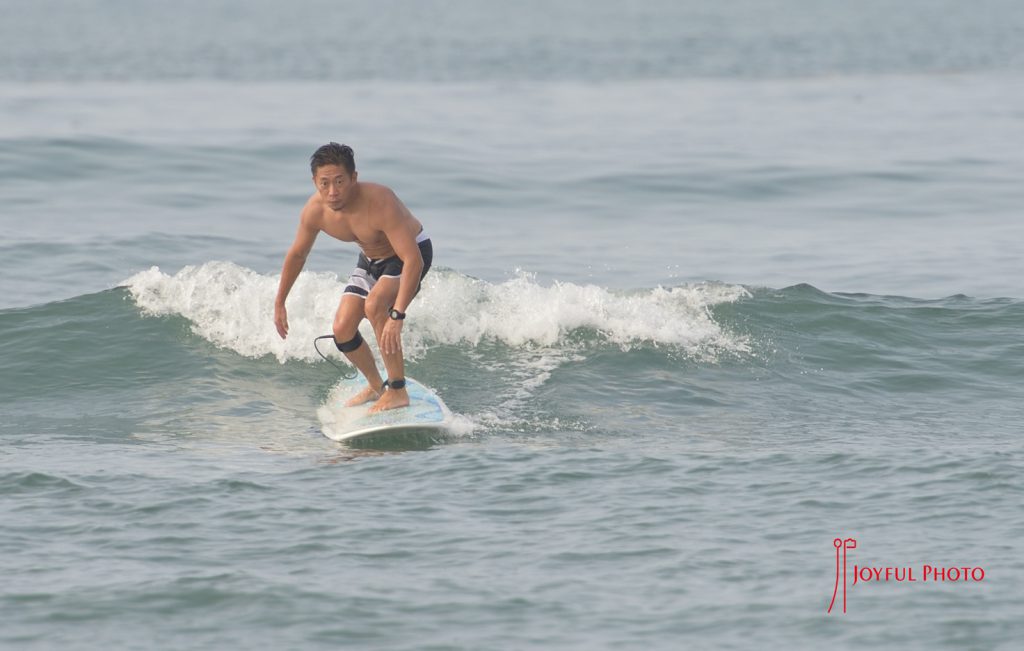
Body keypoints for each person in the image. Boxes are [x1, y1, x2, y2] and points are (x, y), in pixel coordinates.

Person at [274, 143, 433, 413]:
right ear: (315, 182)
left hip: (409, 254)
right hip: (370, 259)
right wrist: (280, 302)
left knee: (374, 306)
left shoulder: (380, 201)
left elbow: (413, 260)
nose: (332, 192)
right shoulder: (315, 211)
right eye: (324, 183)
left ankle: (397, 390)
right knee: (342, 328)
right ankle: (375, 386)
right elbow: (298, 255)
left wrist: (398, 315)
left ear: (354, 178)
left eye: (339, 182)